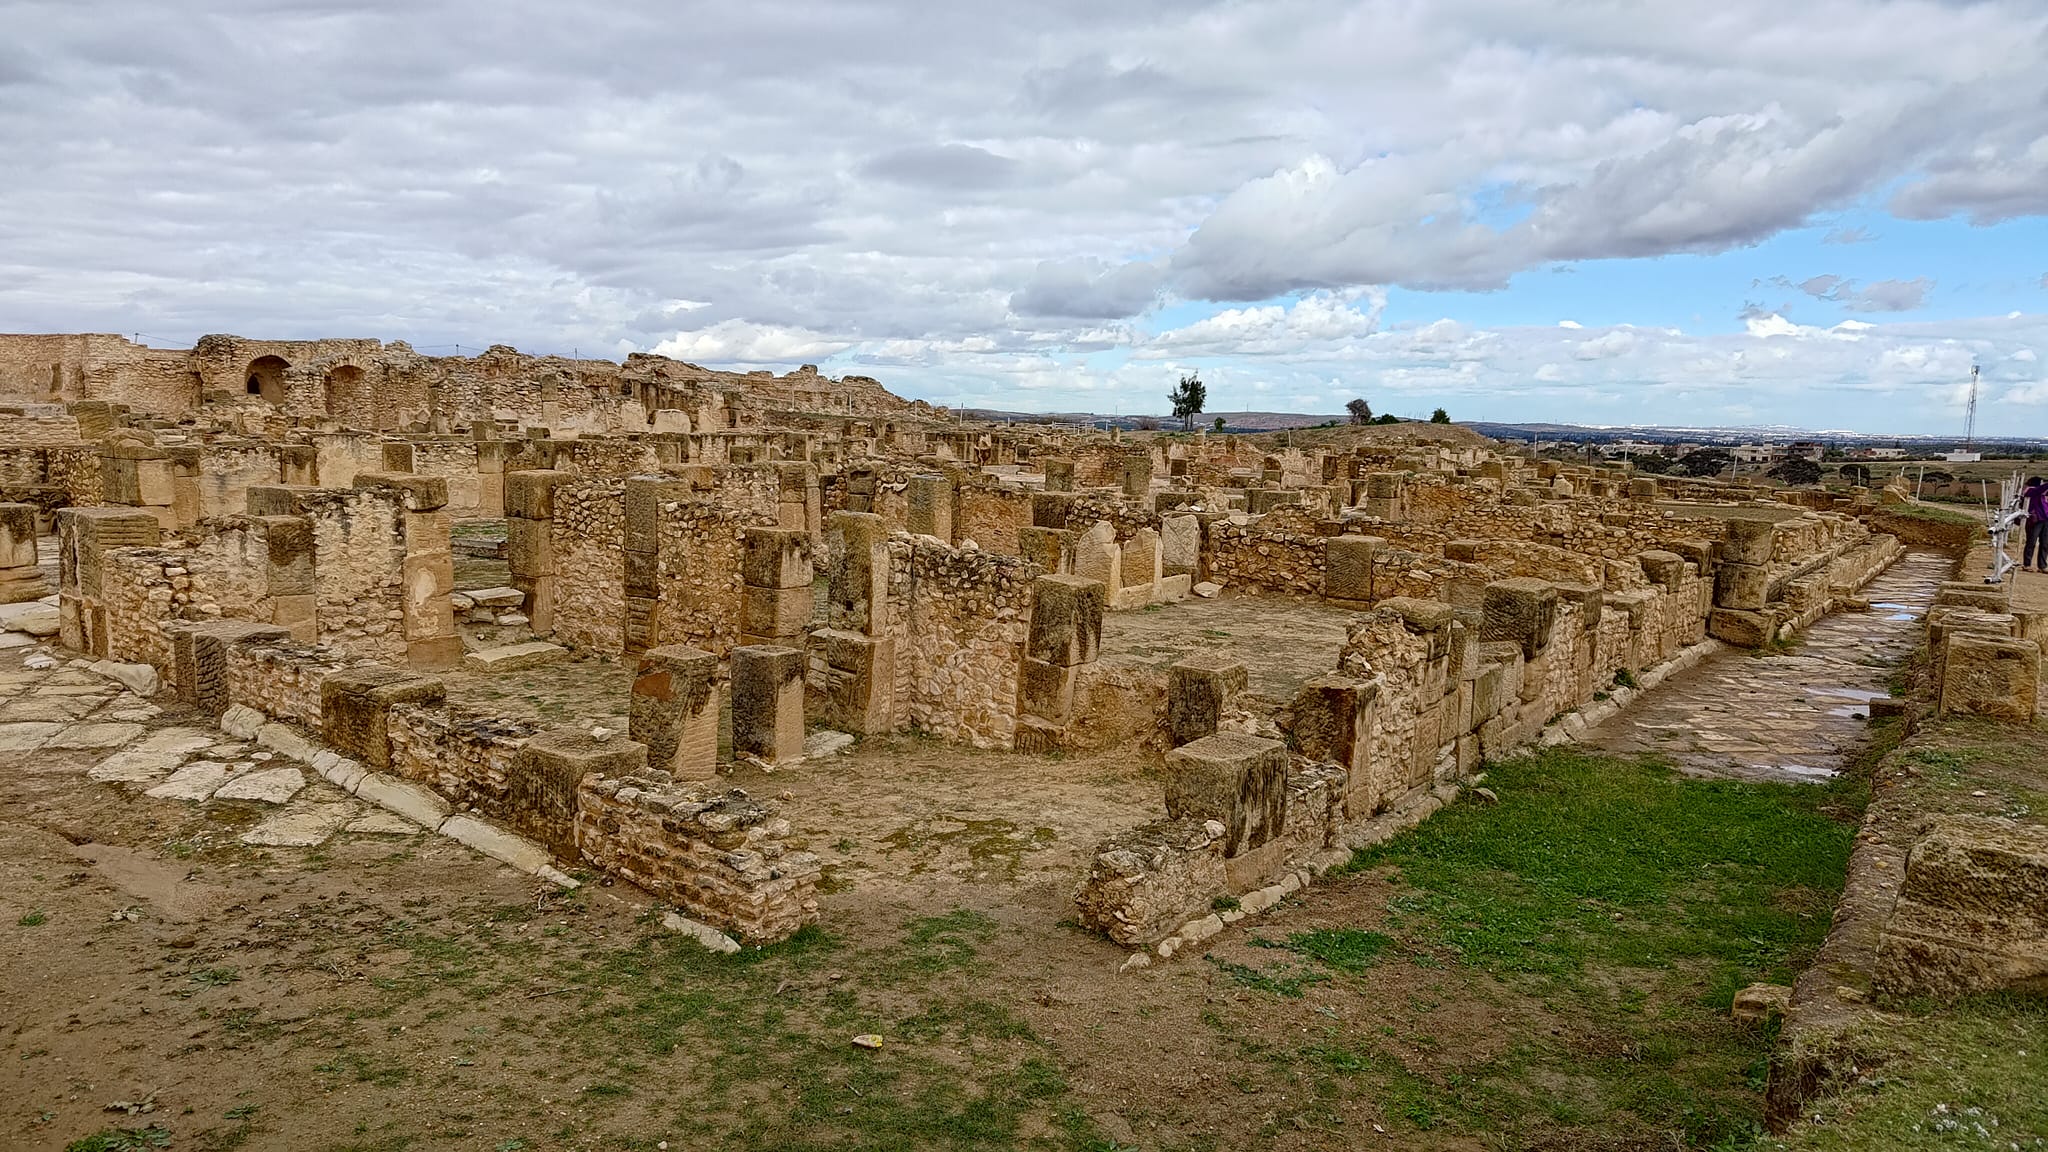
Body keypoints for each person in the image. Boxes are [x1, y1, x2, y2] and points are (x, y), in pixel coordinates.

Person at [2025, 476, 2048, 572]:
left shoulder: (2041, 493)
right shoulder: (2030, 491)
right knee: (2031, 542)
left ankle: (2042, 566)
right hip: (2035, 520)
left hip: (2045, 519)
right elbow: (2040, 489)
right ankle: (2027, 564)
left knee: (2045, 543)